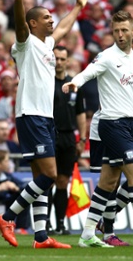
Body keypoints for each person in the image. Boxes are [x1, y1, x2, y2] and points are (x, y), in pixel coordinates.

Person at [0, 0, 91, 249]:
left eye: (51, 16)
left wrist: (77, 7)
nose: (51, 20)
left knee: (41, 179)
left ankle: (40, 237)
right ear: (33, 22)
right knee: (49, 175)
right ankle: (7, 217)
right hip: (31, 114)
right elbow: (19, 22)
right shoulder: (24, 44)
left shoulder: (47, 43)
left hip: (43, 117)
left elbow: (63, 28)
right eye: (46, 17)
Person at [62, 10, 133, 247]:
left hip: (128, 125)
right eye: (116, 31)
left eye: (124, 30)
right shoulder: (107, 56)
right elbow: (88, 72)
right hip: (111, 125)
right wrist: (75, 82)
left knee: (108, 182)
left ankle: (87, 234)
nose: (120, 35)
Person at [46, 45, 87, 235]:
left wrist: (82, 139)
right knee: (47, 180)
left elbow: (80, 113)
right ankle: (44, 224)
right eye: (56, 58)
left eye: (63, 59)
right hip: (49, 135)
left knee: (63, 181)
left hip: (69, 138)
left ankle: (60, 224)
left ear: (68, 61)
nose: (59, 62)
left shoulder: (74, 85)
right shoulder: (45, 82)